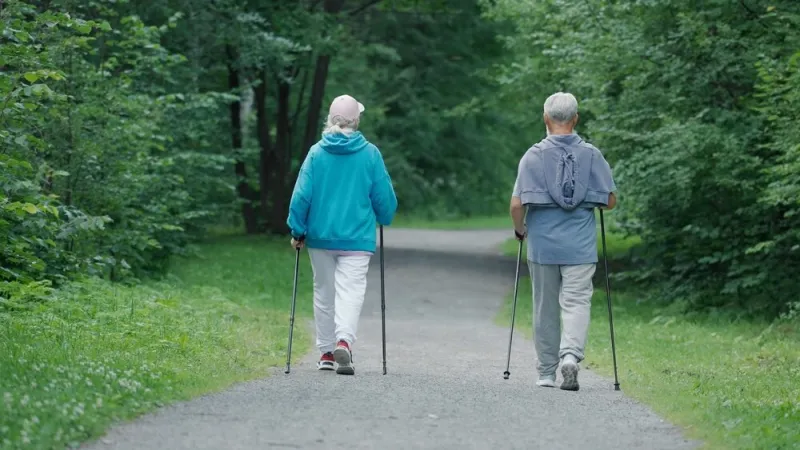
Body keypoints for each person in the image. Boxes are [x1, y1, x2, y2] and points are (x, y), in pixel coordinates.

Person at [509, 92, 617, 391]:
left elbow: (517, 205)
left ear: (545, 118)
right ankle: (570, 356)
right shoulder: (592, 155)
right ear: (576, 119)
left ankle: (546, 373)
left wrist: (520, 230)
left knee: (545, 306)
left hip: (543, 246)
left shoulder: (533, 155)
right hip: (580, 246)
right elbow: (609, 201)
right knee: (576, 302)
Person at [286, 94, 398, 376]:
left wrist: (298, 230)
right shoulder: (370, 153)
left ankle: (326, 352)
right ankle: (344, 342)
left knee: (324, 292)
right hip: (357, 239)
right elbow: (384, 197)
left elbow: (301, 196)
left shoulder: (316, 152)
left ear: (330, 120)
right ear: (356, 120)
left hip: (321, 236)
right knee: (351, 293)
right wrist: (384, 215)